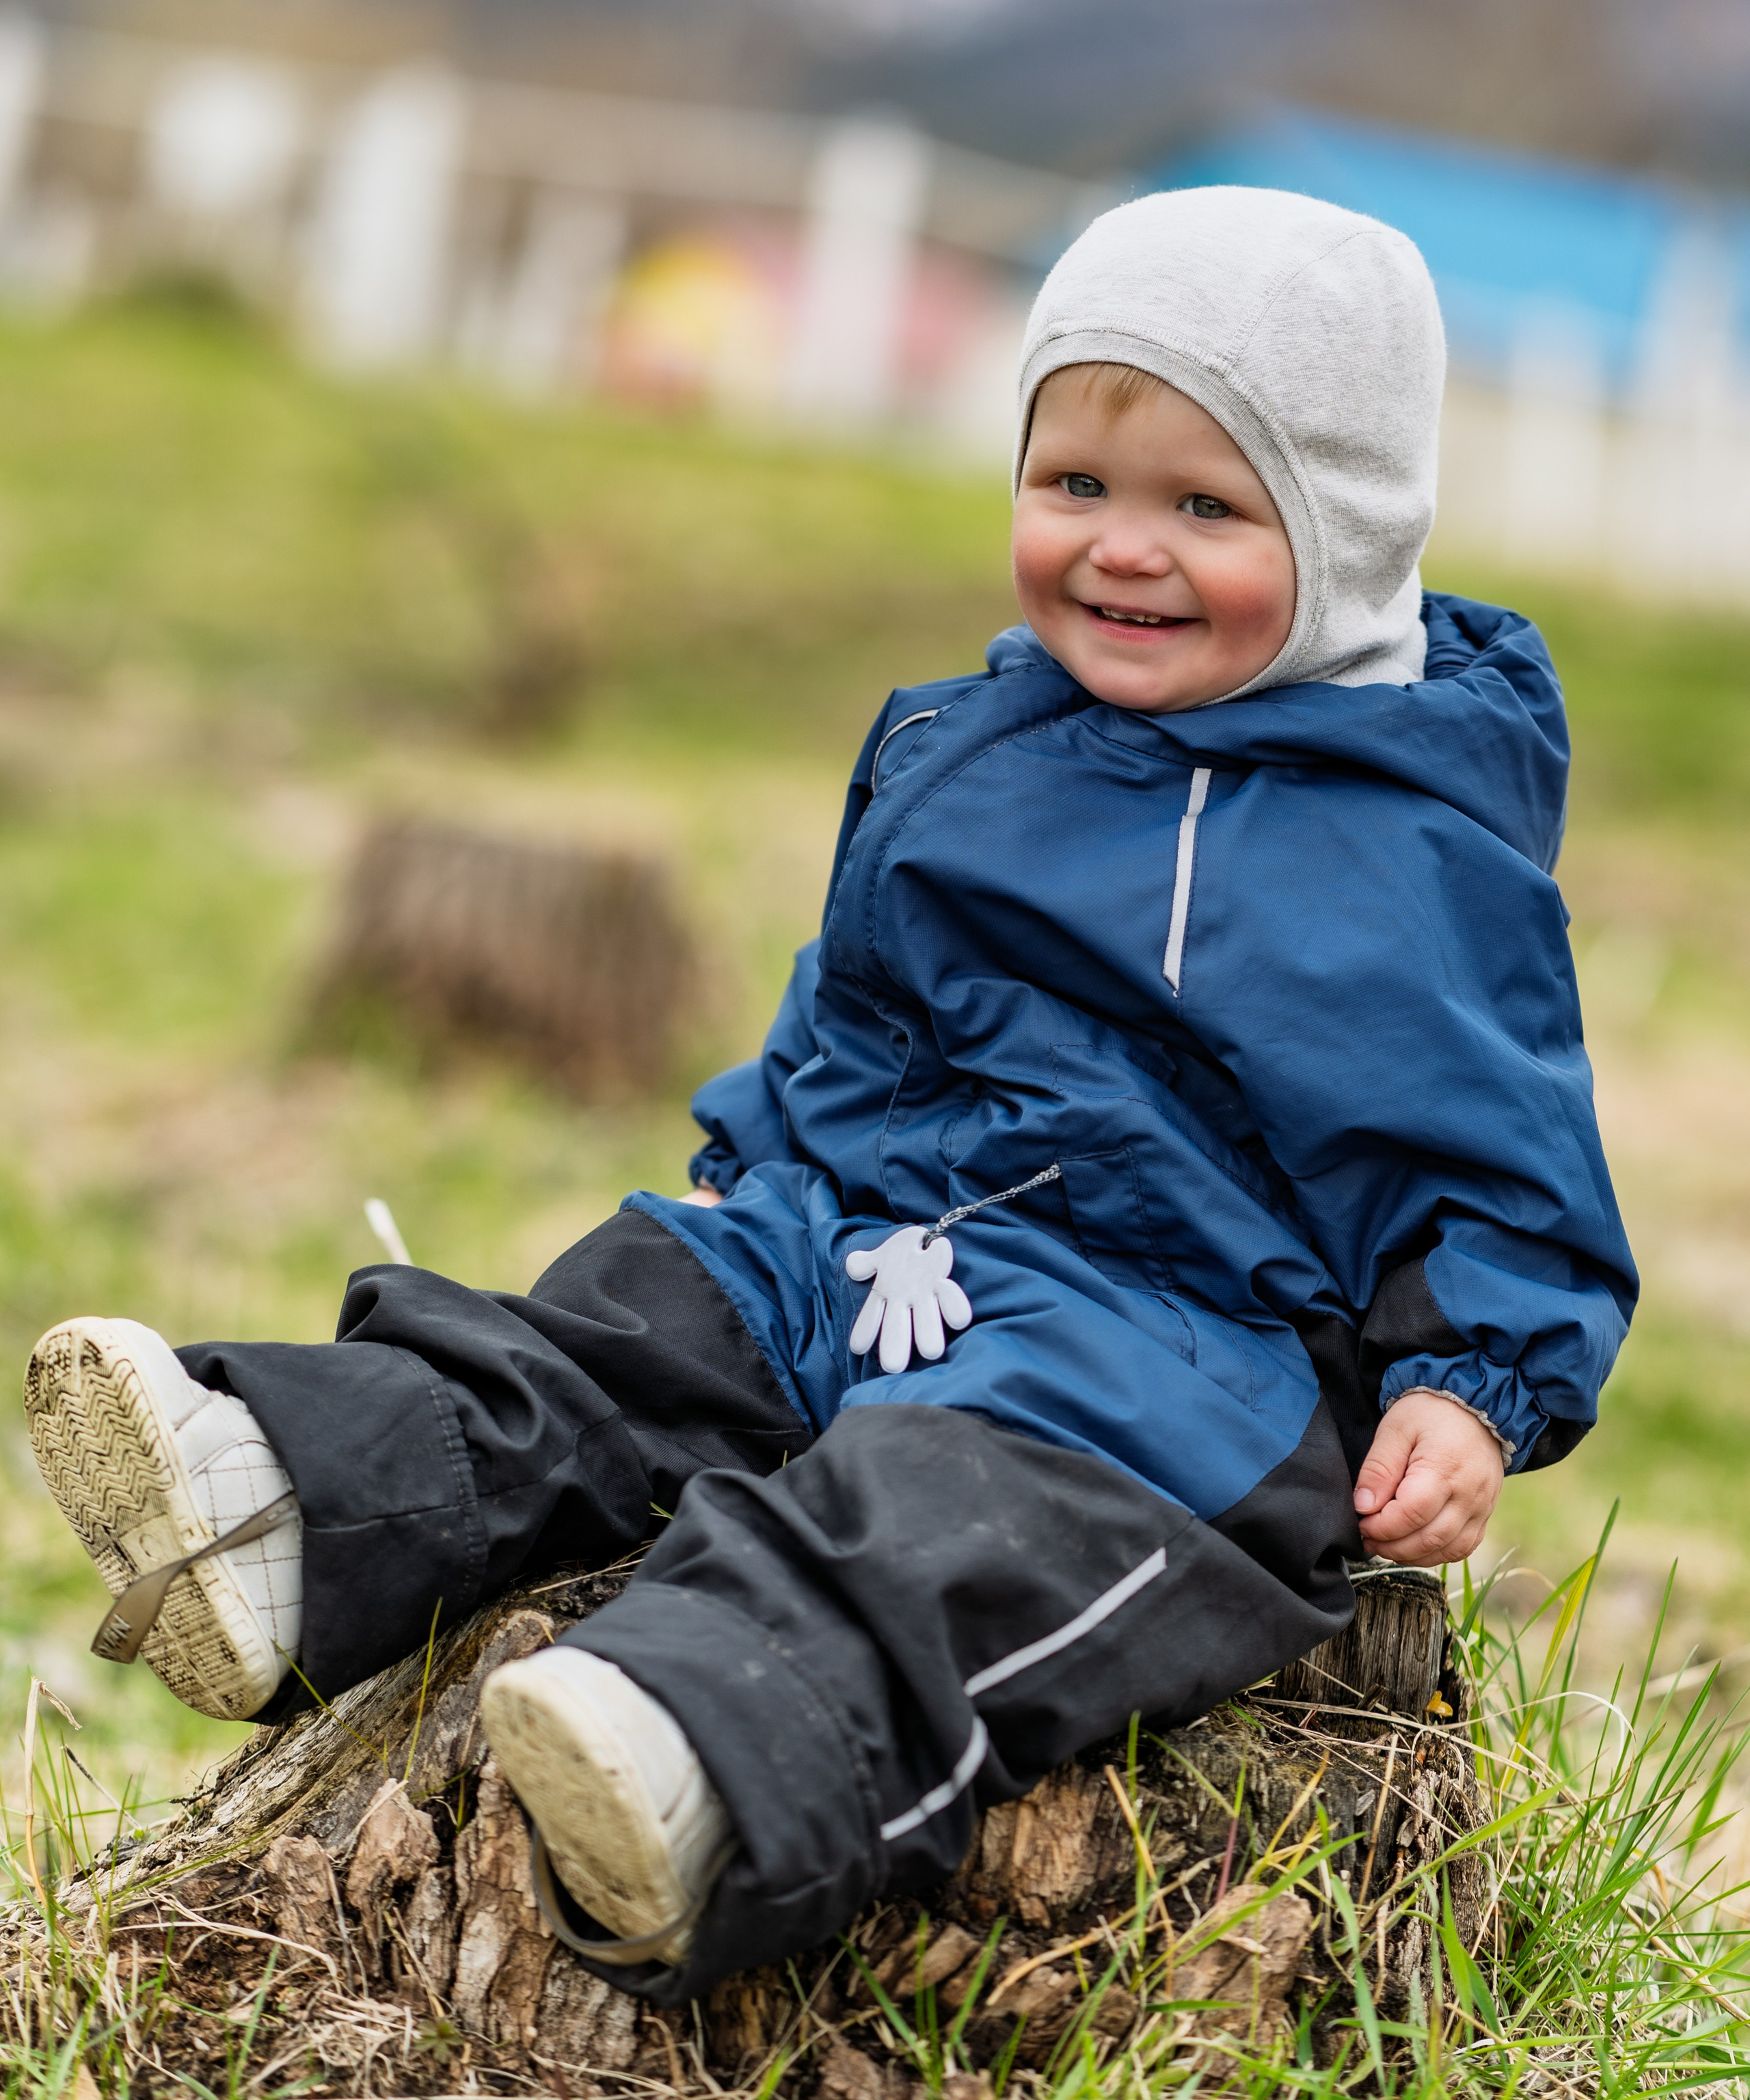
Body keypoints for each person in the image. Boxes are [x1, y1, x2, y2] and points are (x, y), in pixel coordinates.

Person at [23, 187, 1634, 2004]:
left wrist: (1473, 1383)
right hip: (884, 1233)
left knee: (957, 1522)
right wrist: (760, 1169)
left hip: (1164, 1341)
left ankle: (706, 1750)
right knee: (633, 1316)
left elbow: (1504, 1160)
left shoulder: (1410, 850)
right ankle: (289, 1510)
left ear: (1345, 536)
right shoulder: (977, 741)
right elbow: (853, 1012)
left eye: (1209, 507)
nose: (1124, 552)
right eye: (1076, 486)